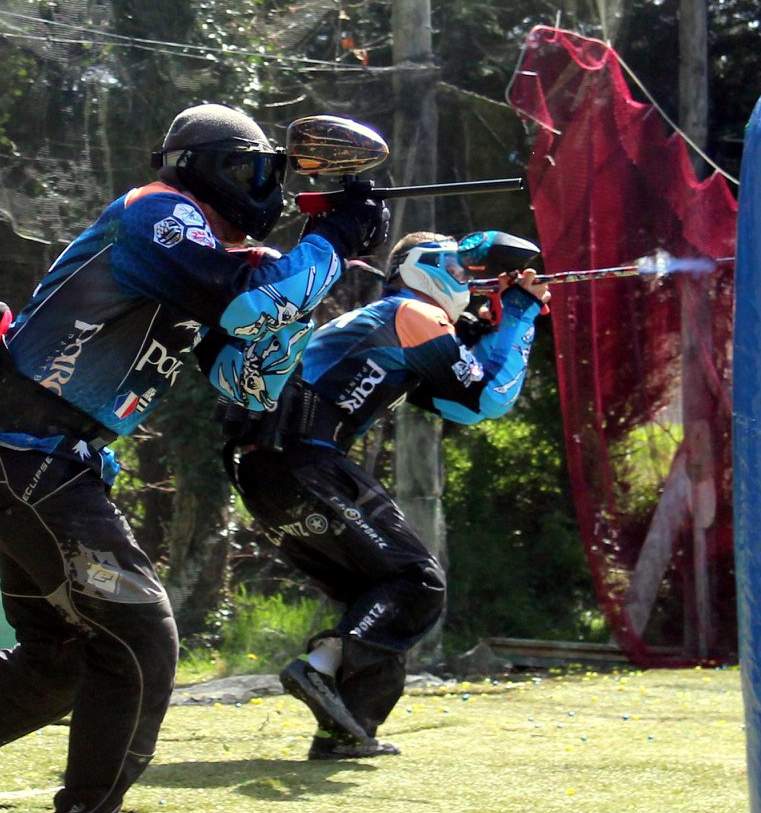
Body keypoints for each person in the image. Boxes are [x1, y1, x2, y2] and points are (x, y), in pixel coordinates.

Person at [0, 104, 386, 813]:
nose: (265, 188)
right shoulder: (159, 213)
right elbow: (252, 300)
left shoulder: (218, 254)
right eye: (251, 170)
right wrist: (326, 244)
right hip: (29, 460)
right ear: (205, 166)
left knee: (57, 664)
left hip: (41, 466)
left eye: (272, 175)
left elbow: (244, 372)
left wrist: (316, 271)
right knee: (141, 640)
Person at [229, 231, 546, 760]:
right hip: (305, 461)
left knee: (383, 592)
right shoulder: (411, 314)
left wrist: (492, 328)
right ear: (427, 267)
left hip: (272, 471)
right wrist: (518, 315)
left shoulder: (394, 320)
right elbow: (488, 397)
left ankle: (346, 731)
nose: (468, 281)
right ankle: (322, 664)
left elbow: (463, 406)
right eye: (461, 270)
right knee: (417, 581)